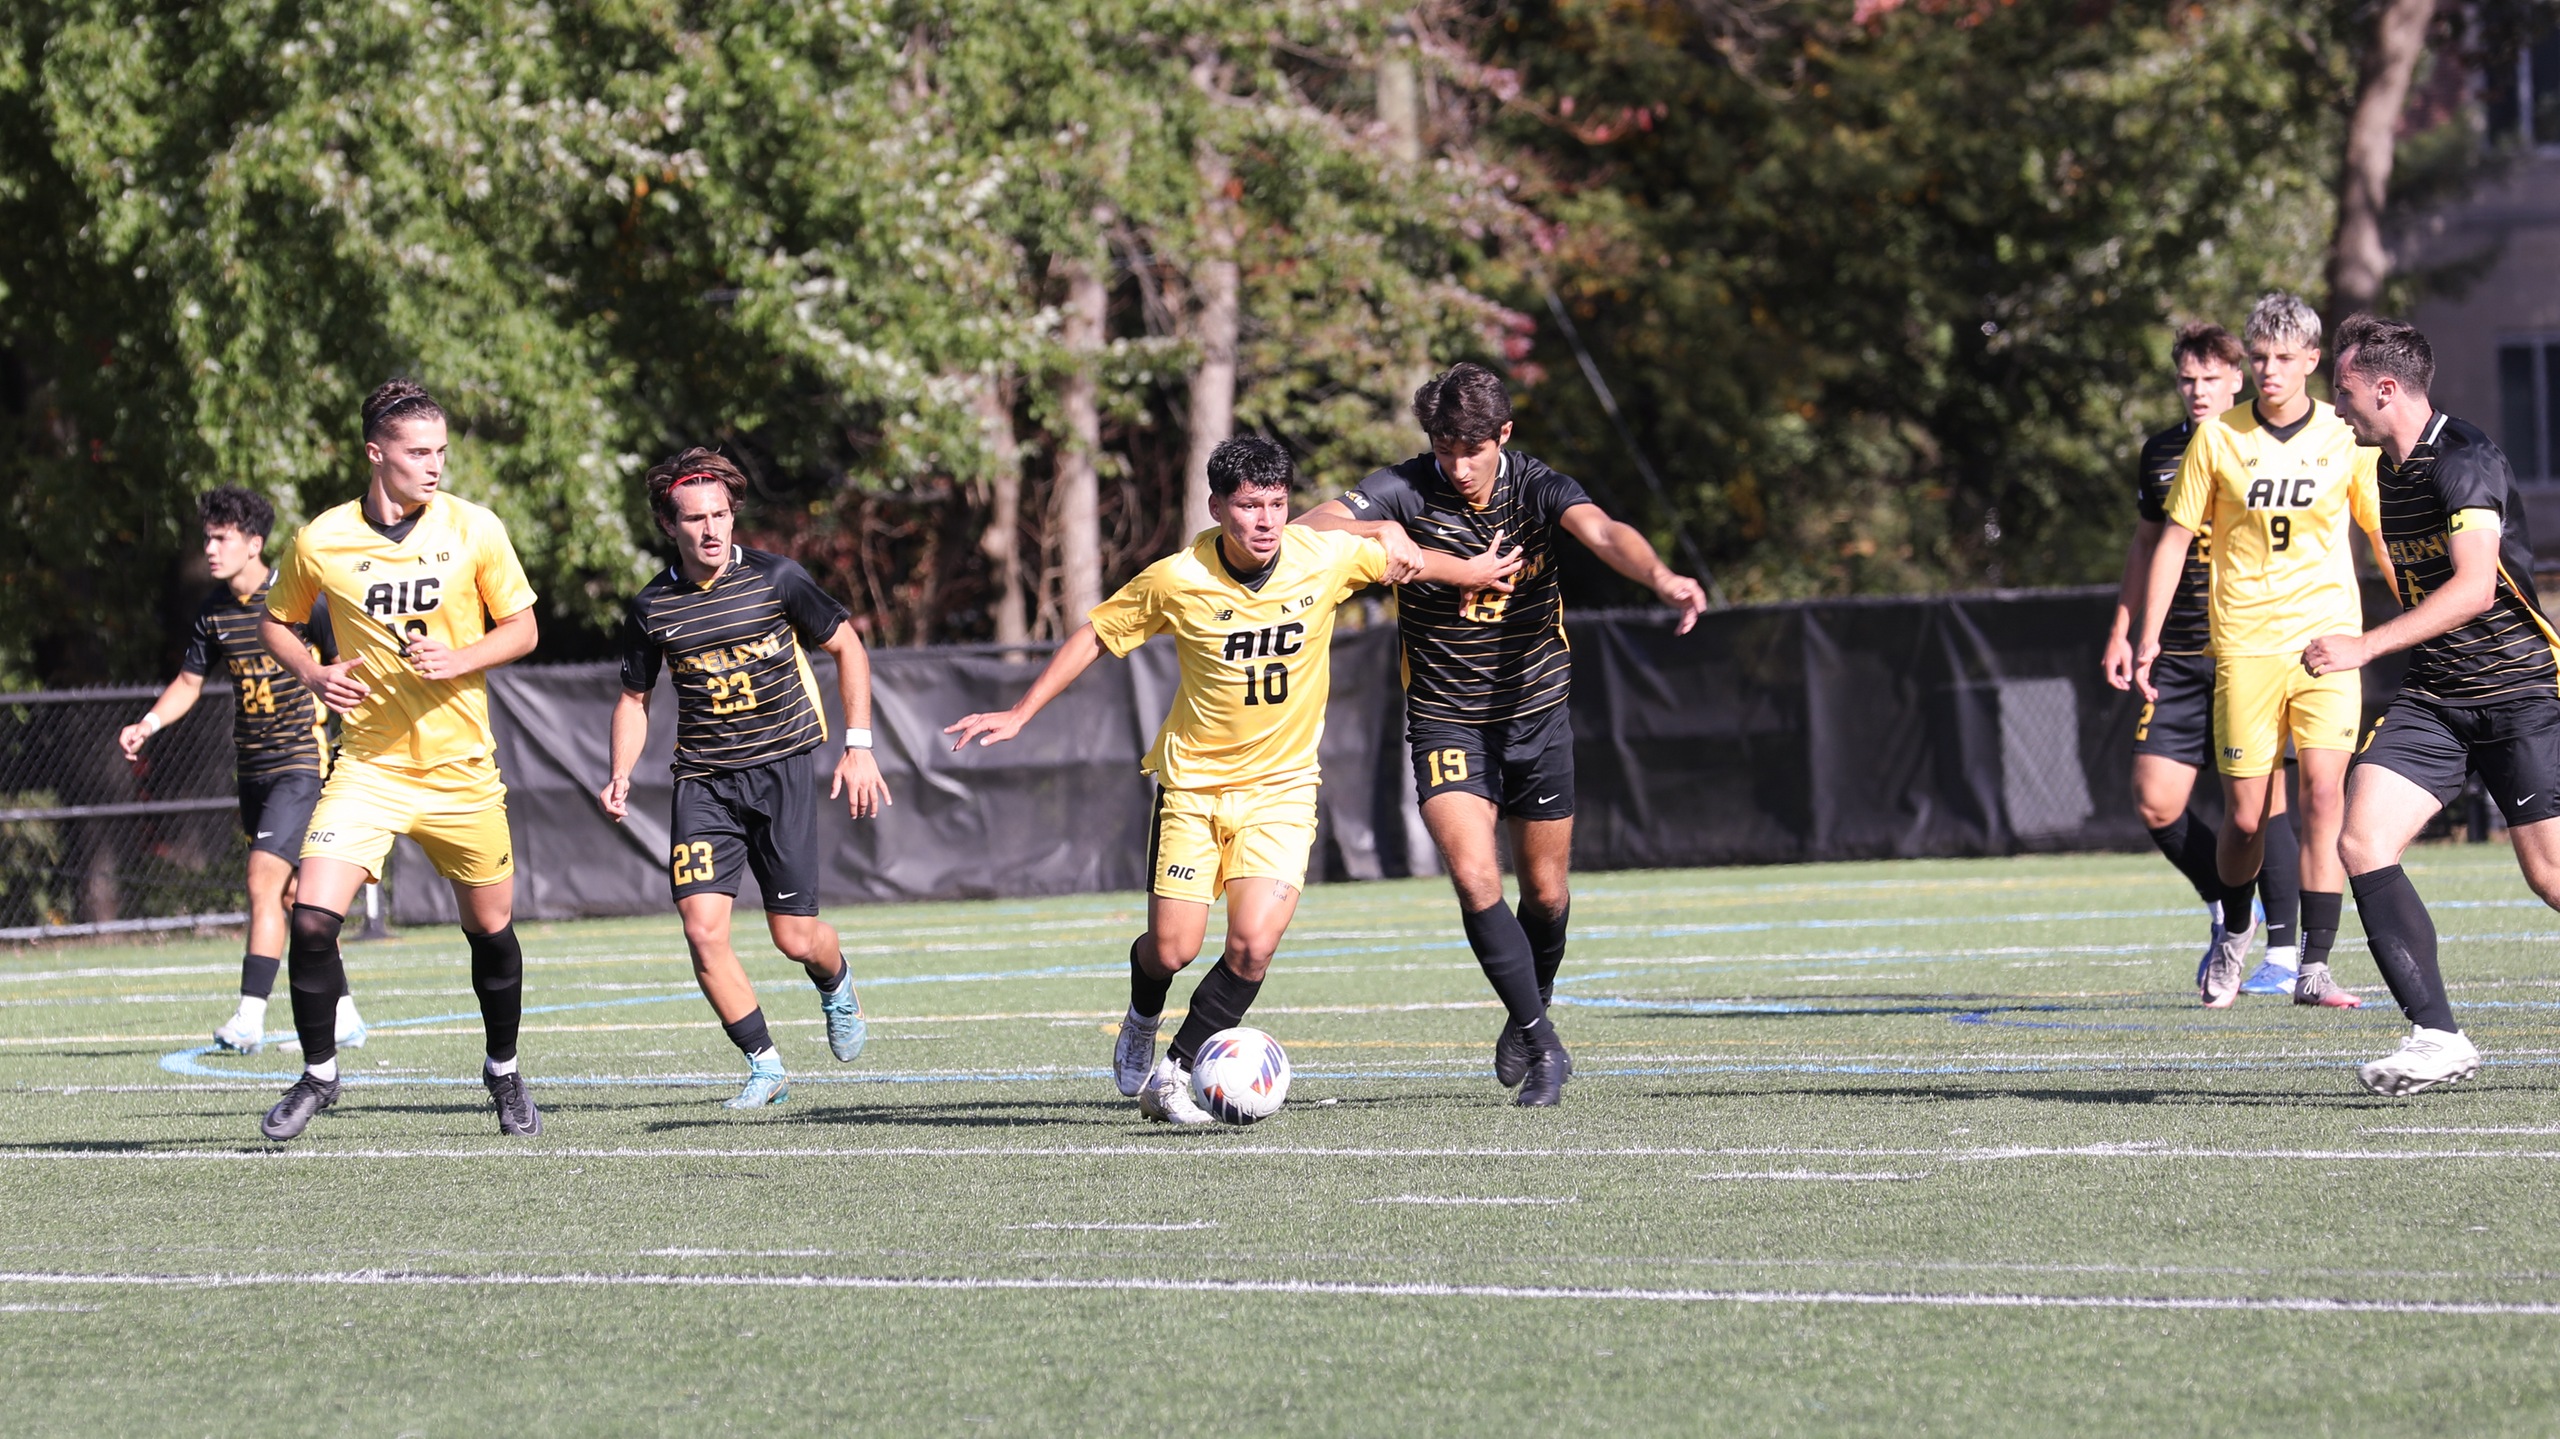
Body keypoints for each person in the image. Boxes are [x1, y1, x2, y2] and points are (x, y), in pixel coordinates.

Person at [945, 435, 1519, 1123]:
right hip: (1193, 789)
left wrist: (1474, 570)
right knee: (1173, 948)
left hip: (1282, 788)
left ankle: (1174, 1072)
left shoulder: (1323, 556)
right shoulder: (1178, 577)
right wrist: (1019, 711)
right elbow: (1097, 633)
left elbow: (1411, 560)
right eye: (1250, 505)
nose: (1267, 519)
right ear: (1218, 507)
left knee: (1252, 945)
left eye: (1277, 503)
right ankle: (1142, 1010)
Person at [1294, 363, 1709, 1106]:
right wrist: (1378, 528)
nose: (1457, 465)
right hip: (1446, 717)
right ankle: (1543, 1039)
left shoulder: (1538, 486)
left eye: (1472, 449)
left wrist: (1664, 579)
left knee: (1545, 894)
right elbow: (1305, 529)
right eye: (1444, 447)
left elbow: (1606, 532)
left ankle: (1532, 1000)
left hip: (1537, 713)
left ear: (1504, 436)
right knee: (1475, 876)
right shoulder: (1404, 487)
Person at [252, 379, 543, 1141]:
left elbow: (523, 628)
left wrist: (461, 658)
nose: (434, 465)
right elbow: (276, 623)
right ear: (375, 452)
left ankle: (504, 1070)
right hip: (370, 768)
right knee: (311, 919)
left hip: (461, 770)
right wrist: (313, 672)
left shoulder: (473, 527)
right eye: (418, 452)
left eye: (441, 450)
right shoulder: (322, 539)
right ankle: (319, 1072)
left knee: (491, 932)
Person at [2307, 315, 2560, 1094]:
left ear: (2386, 388)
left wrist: (2365, 644)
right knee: (2361, 838)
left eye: (2345, 392)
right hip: (2437, 699)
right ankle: (2438, 1034)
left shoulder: (2466, 458)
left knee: (2551, 877)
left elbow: (2476, 587)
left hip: (2518, 693)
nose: (2337, 406)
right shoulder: (2384, 466)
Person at [600, 449, 888, 1108]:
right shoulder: (652, 606)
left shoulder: (778, 579)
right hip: (702, 784)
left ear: (733, 515)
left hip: (781, 770)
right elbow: (633, 699)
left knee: (795, 938)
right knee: (703, 930)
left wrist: (860, 744)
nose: (711, 530)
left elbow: (848, 646)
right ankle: (765, 1063)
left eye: (720, 515)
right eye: (695, 519)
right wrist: (620, 770)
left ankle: (836, 980)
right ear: (669, 526)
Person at [2137, 293, 2391, 1010]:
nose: (2270, 370)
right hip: (2246, 647)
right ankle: (2234, 929)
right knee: (2245, 818)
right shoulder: (2218, 439)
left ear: (2313, 360)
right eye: (2259, 357)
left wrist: (2423, 619)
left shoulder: (2346, 439)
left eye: (2284, 358)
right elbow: (2173, 540)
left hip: (2326, 644)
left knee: (2321, 798)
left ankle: (2313, 966)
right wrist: (2149, 635)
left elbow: (2379, 538)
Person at [119, 487, 367, 1054]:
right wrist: (148, 725)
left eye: (221, 538)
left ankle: (249, 1019)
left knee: (262, 877)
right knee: (293, 899)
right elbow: (188, 684)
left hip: (302, 764)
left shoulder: (298, 599)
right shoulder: (213, 612)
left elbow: (340, 662)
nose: (210, 548)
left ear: (254, 543)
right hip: (251, 769)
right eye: (207, 537)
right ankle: (346, 1014)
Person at [2102, 324, 2305, 995]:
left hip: (2247, 648)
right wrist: (2127, 628)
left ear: (2237, 379)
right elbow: (2147, 544)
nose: (2197, 390)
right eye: (2188, 379)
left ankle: (2284, 954)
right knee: (2155, 799)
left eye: (2211, 378)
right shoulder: (2161, 453)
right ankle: (2226, 904)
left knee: (2259, 805)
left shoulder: (2262, 445)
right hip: (2180, 651)